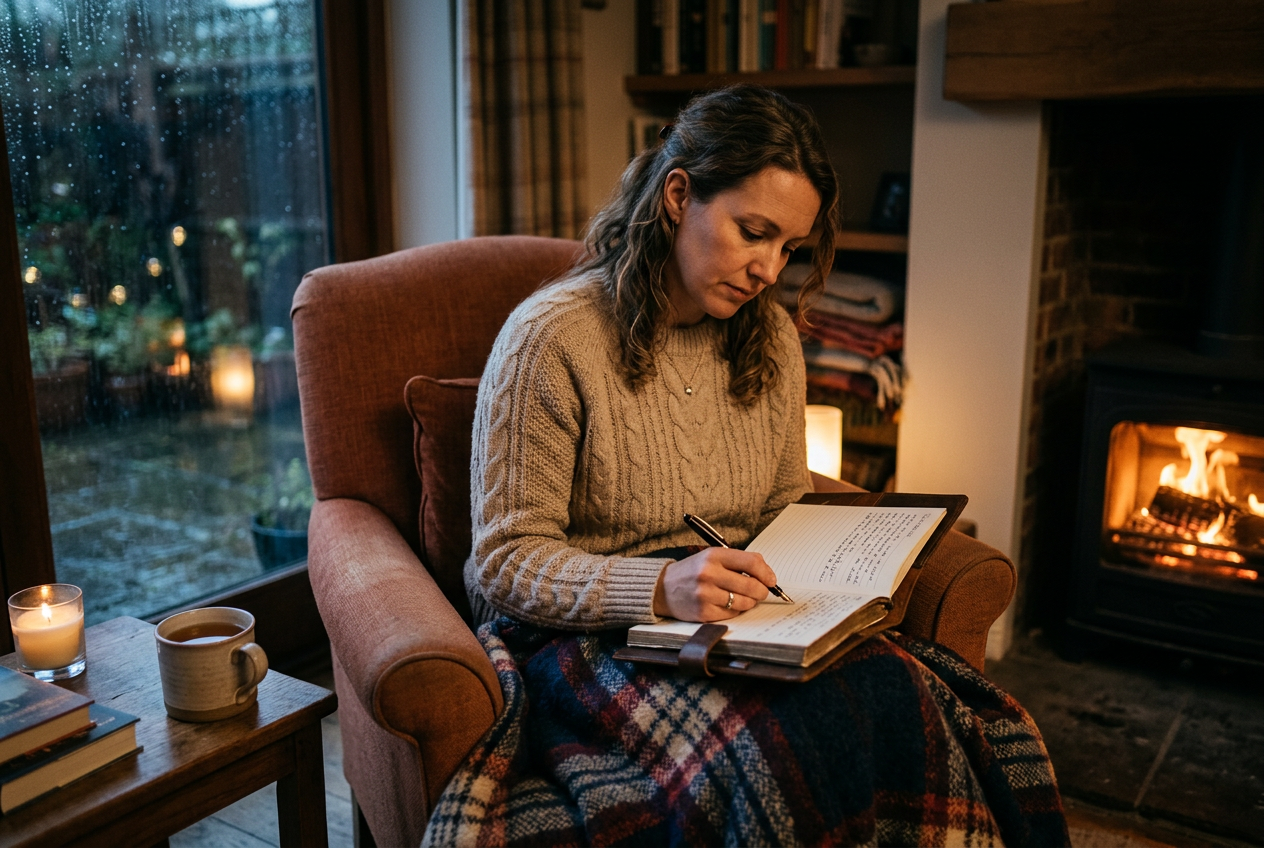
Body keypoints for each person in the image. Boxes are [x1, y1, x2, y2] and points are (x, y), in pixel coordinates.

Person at [432, 85, 1068, 847]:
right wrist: (660, 585)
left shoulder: (769, 338)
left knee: (915, 705)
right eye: (753, 232)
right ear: (678, 196)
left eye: (789, 248)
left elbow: (785, 508)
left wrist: (835, 579)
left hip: (742, 619)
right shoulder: (551, 339)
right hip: (595, 635)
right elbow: (501, 565)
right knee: (777, 759)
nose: (769, 269)